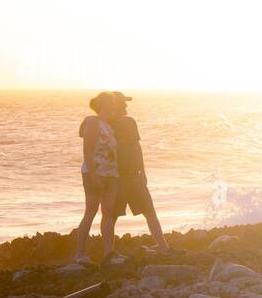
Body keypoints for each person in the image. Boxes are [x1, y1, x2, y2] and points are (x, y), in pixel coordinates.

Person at [104, 92, 184, 257]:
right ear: (114, 105)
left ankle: (163, 246)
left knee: (149, 211)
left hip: (134, 176)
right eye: (122, 103)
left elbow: (136, 148)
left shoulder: (128, 122)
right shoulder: (105, 125)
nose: (126, 106)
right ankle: (109, 253)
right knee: (112, 216)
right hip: (118, 177)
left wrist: (143, 171)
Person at [73, 92, 124, 267]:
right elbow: (87, 152)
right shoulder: (93, 123)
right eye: (112, 104)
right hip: (94, 173)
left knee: (108, 214)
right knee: (90, 212)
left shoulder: (108, 126)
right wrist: (94, 177)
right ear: (104, 106)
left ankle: (108, 253)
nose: (115, 108)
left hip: (111, 174)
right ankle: (80, 255)